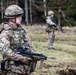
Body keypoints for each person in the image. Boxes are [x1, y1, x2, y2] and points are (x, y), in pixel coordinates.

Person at [0, 5, 36, 75]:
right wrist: (22, 58)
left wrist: (33, 55)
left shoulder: (22, 31)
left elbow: (30, 45)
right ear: (12, 19)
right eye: (19, 17)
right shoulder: (5, 33)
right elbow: (5, 52)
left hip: (25, 69)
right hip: (12, 70)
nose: (21, 19)